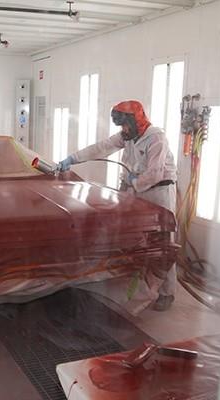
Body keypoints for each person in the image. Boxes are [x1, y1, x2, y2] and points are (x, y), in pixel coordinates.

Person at [57, 100, 178, 311]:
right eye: (121, 126)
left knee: (162, 241)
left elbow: (155, 173)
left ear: (135, 121)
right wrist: (73, 159)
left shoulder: (156, 138)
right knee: (132, 236)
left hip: (158, 192)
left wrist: (134, 182)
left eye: (125, 125)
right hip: (135, 190)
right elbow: (102, 147)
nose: (123, 130)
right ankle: (137, 282)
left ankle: (167, 292)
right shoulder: (127, 136)